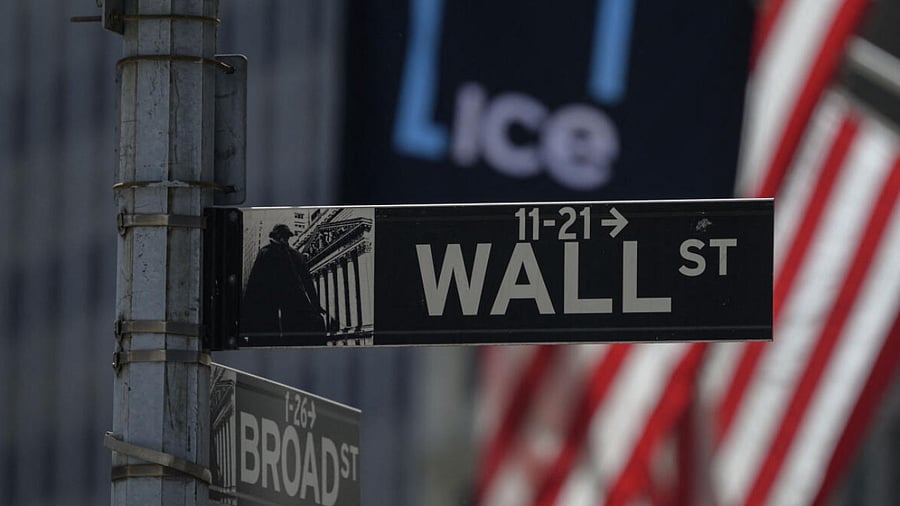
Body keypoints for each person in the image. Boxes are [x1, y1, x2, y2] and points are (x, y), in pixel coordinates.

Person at [241, 224, 326, 339]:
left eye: (285, 236)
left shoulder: (291, 255)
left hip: (285, 302)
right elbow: (254, 284)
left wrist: (316, 305)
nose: (284, 239)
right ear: (277, 236)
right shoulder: (270, 253)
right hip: (274, 303)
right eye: (283, 236)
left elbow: (307, 282)